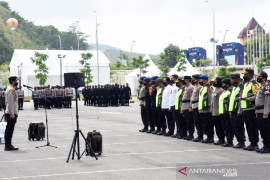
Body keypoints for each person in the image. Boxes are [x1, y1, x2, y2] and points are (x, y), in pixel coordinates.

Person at [241, 69, 259, 151]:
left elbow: (256, 96)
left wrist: (247, 99)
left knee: (253, 127)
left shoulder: (254, 84)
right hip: (245, 109)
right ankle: (251, 143)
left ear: (251, 75)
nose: (244, 76)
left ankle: (255, 143)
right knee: (248, 127)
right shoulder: (245, 84)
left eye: (246, 74)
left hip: (251, 108)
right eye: (244, 74)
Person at [229, 73, 246, 148]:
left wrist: (240, 110)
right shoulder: (234, 88)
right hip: (232, 110)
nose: (232, 81)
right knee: (234, 126)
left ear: (237, 79)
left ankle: (242, 142)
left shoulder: (241, 87)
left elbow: (240, 100)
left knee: (238, 126)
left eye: (233, 79)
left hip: (238, 110)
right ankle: (240, 141)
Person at [255, 71, 270, 153]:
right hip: (259, 111)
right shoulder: (260, 86)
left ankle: (268, 146)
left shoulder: (267, 86)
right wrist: (257, 112)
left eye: (259, 76)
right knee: (262, 130)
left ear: (264, 78)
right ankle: (265, 145)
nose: (258, 78)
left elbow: (268, 100)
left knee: (266, 130)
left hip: (264, 111)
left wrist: (266, 112)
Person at [4, 76, 19, 151]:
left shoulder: (10, 88)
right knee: (9, 130)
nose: (16, 82)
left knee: (10, 129)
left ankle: (8, 144)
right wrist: (12, 113)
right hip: (11, 113)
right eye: (16, 81)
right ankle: (7, 145)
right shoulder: (11, 90)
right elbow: (11, 102)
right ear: (13, 82)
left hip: (10, 112)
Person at [199, 75, 214, 143]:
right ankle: (208, 136)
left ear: (205, 80)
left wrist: (210, 107)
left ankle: (210, 137)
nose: (200, 81)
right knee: (204, 124)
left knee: (208, 124)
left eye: (201, 80)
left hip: (207, 109)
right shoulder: (202, 88)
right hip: (202, 109)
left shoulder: (209, 88)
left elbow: (211, 98)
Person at [210, 77, 225, 145]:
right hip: (214, 110)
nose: (214, 83)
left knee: (220, 126)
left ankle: (222, 139)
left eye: (215, 82)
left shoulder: (221, 90)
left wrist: (219, 111)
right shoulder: (215, 90)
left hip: (218, 111)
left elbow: (221, 101)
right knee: (216, 126)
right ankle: (219, 138)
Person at [219, 78, 234, 147]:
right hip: (222, 112)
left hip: (227, 112)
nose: (222, 85)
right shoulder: (225, 91)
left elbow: (230, 102)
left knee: (229, 127)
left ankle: (230, 141)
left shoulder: (230, 91)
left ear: (227, 84)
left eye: (223, 84)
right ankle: (227, 140)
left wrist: (230, 112)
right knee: (224, 127)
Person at [180, 76, 194, 140]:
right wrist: (182, 108)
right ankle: (187, 134)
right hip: (184, 106)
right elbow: (183, 99)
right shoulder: (185, 88)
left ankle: (191, 134)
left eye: (185, 80)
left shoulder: (191, 87)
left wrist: (191, 106)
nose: (184, 81)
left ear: (187, 80)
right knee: (186, 121)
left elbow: (191, 98)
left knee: (190, 121)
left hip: (188, 106)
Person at [191, 74, 203, 142]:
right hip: (194, 105)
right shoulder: (195, 86)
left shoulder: (200, 87)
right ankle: (199, 135)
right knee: (196, 121)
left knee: (199, 122)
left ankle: (200, 136)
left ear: (197, 79)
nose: (192, 80)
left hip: (197, 105)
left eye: (193, 78)